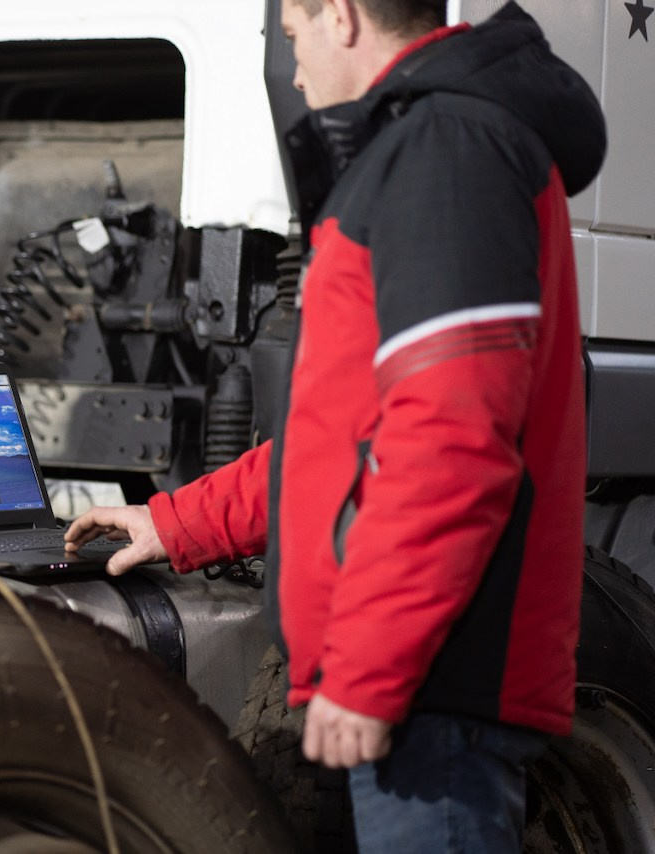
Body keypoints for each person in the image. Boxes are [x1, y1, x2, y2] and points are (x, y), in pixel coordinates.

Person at [64, 1, 606, 850]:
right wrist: (174, 520)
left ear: (343, 16)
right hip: (422, 686)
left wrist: (370, 671)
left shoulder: (446, 154)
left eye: (291, 41)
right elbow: (352, 437)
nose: (296, 74)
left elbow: (449, 445)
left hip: (430, 691)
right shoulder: (432, 148)